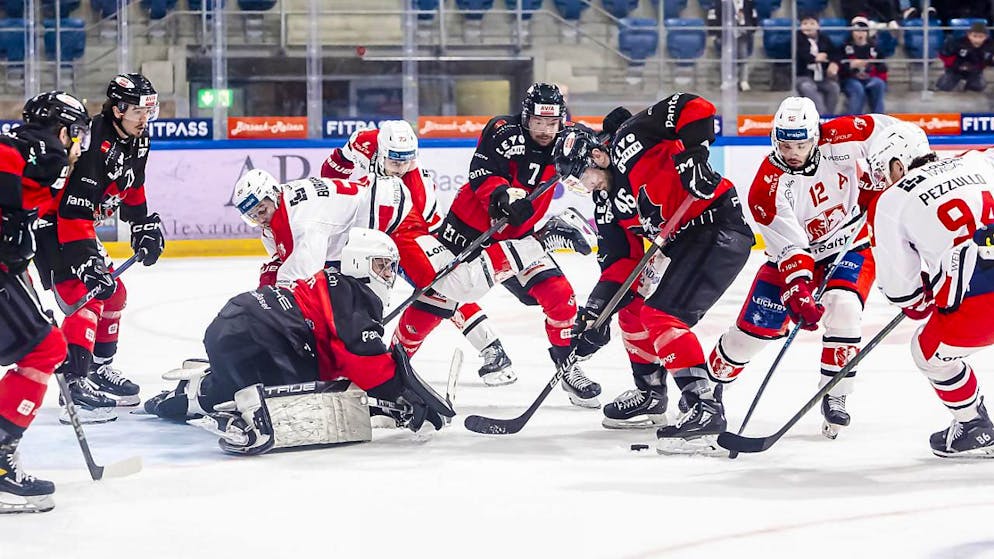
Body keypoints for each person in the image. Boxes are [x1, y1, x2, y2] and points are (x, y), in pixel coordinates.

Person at [232, 169, 594, 367]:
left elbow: (300, 279)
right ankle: (387, 361)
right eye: (251, 214)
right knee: (392, 296)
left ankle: (545, 238)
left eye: (260, 208)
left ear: (273, 193)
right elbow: (283, 265)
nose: (258, 218)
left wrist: (270, 311)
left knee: (456, 285)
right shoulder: (280, 214)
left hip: (396, 223)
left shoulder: (302, 220)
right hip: (367, 233)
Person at [144, 229, 455, 455]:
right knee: (306, 387)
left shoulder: (331, 283)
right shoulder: (354, 295)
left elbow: (345, 357)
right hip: (263, 334)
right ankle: (251, 409)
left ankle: (198, 394)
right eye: (380, 265)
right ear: (358, 263)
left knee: (261, 375)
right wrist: (400, 392)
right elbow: (361, 356)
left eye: (389, 267)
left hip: (236, 323)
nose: (387, 274)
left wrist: (388, 398)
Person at [558, 95, 754, 450]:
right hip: (684, 242)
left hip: (716, 228)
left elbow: (694, 105)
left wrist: (694, 153)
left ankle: (703, 407)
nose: (584, 187)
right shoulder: (607, 201)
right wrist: (594, 314)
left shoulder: (630, 138)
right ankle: (651, 395)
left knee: (662, 316)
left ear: (597, 156)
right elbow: (622, 261)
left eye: (582, 176)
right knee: (633, 310)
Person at [396, 82, 603, 407]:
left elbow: (596, 164)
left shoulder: (570, 137)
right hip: (467, 233)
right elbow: (482, 173)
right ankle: (391, 372)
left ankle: (568, 367)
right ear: (526, 116)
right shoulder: (502, 130)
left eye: (552, 123)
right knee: (435, 305)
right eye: (539, 122)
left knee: (560, 296)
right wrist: (502, 195)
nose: (546, 130)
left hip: (519, 239)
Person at [705, 97, 897, 439]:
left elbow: (897, 135)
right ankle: (709, 391)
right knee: (750, 336)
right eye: (784, 143)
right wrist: (798, 291)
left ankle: (836, 393)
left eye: (800, 143)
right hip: (797, 258)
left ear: (816, 136)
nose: (792, 151)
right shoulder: (766, 187)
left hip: (851, 243)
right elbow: (790, 247)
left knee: (845, 307)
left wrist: (880, 176)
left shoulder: (843, 136)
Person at [320, 120, 517, 386]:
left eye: (406, 162)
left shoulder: (418, 188)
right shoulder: (364, 141)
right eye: (394, 162)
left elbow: (417, 233)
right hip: (370, 227)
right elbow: (333, 169)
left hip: (412, 234)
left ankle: (491, 346)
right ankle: (343, 352)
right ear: (379, 150)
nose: (401, 168)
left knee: (442, 289)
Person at [33, 73, 166, 424]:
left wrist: (141, 224)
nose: (144, 118)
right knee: (87, 293)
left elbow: (133, 184)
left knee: (115, 294)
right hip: (52, 227)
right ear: (118, 108)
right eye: (138, 111)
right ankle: (74, 388)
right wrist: (86, 262)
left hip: (78, 225)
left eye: (148, 111)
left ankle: (97, 370)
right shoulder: (93, 140)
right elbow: (71, 211)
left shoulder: (139, 139)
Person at [865, 122, 994, 458]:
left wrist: (924, 298)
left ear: (898, 163)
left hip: (981, 304)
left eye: (883, 171)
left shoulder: (891, 199)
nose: (883, 180)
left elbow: (903, 291)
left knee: (927, 352)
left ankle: (972, 425)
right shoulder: (978, 160)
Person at [1, 91, 91, 513]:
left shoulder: (35, 159)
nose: (76, 143)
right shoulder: (38, 152)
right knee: (47, 348)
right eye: (74, 132)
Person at [840, 16, 889, 114]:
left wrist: (872, 64)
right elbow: (840, 69)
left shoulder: (875, 48)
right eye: (857, 31)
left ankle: (878, 119)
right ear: (852, 32)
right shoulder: (844, 48)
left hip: (870, 78)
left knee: (878, 84)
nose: (860, 34)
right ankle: (853, 121)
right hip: (851, 79)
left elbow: (883, 67)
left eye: (863, 31)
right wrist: (851, 66)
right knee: (857, 88)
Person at [705, 0, 757, 92]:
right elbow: (712, 17)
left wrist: (751, 29)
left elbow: (753, 16)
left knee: (743, 56)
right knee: (726, 57)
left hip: (743, 34)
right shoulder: (721, 3)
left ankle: (743, 81)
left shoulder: (747, 2)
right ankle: (727, 81)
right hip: (726, 34)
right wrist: (714, 33)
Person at [796, 14, 841, 115]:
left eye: (812, 23)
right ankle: (821, 116)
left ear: (818, 26)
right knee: (808, 87)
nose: (808, 26)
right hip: (804, 76)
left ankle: (829, 116)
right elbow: (800, 55)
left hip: (822, 77)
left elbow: (836, 53)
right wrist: (814, 59)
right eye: (805, 23)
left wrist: (834, 63)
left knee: (834, 87)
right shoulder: (796, 39)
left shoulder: (824, 38)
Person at [936, 22, 994, 92]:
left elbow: (988, 61)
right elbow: (944, 55)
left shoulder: (990, 46)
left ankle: (968, 86)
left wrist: (991, 60)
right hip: (955, 70)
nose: (977, 39)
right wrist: (955, 64)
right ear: (968, 35)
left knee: (978, 86)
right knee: (944, 86)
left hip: (975, 71)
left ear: (986, 37)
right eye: (975, 36)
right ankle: (946, 79)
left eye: (981, 37)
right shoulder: (958, 43)